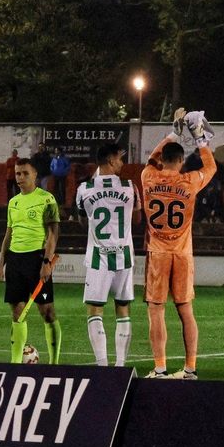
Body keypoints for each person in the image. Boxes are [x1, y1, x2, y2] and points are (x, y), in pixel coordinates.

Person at [141, 109, 216, 379]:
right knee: (185, 310)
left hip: (158, 253)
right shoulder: (189, 181)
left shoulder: (148, 176)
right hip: (183, 253)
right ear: (182, 161)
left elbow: (151, 158)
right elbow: (211, 168)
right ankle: (190, 368)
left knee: (156, 310)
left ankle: (160, 367)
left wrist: (174, 132)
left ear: (163, 160)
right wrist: (199, 138)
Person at [75, 144, 136, 367]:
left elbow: (83, 216)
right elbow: (137, 216)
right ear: (110, 160)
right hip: (124, 255)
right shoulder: (130, 187)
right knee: (123, 308)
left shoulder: (84, 188)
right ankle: (120, 366)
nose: (122, 162)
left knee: (94, 310)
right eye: (119, 158)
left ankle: (102, 365)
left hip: (97, 255)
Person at [0, 158, 61, 364]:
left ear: (35, 175)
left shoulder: (47, 199)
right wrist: (1, 265)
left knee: (47, 312)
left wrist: (46, 262)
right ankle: (15, 363)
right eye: (17, 174)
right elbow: (8, 234)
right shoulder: (13, 202)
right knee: (17, 312)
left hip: (36, 258)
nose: (20, 177)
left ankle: (54, 362)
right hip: (15, 260)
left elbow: (53, 234)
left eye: (25, 173)